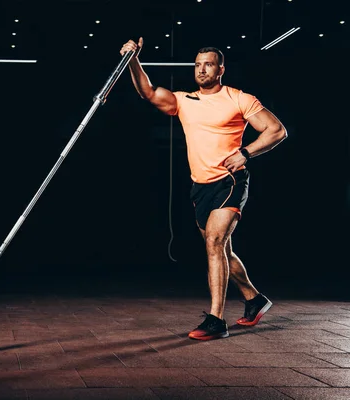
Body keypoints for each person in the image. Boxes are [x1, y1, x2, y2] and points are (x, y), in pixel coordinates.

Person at [120, 38, 287, 340]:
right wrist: (133, 59)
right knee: (220, 249)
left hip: (230, 182)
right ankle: (254, 299)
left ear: (220, 69)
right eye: (197, 65)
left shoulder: (238, 99)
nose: (201, 69)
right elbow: (147, 92)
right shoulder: (184, 101)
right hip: (200, 187)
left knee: (214, 242)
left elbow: (276, 130)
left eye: (208, 64)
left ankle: (215, 320)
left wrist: (246, 153)